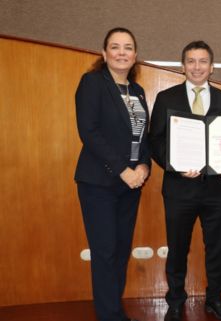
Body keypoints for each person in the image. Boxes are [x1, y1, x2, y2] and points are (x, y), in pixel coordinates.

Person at [149, 41, 221, 321]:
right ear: (182, 66)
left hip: (216, 190)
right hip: (179, 189)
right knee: (177, 247)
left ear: (212, 67)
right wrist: (175, 165)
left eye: (202, 61)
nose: (197, 67)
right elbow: (156, 141)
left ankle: (215, 299)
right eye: (191, 61)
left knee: (216, 247)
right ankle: (175, 300)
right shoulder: (166, 98)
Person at [75, 27, 150, 321]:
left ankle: (113, 309)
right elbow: (89, 132)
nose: (122, 52)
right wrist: (123, 170)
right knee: (105, 252)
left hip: (132, 183)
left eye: (128, 47)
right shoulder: (92, 83)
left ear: (135, 55)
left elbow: (142, 136)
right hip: (100, 182)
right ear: (104, 54)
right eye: (115, 47)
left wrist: (143, 165)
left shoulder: (138, 91)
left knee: (121, 251)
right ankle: (110, 315)